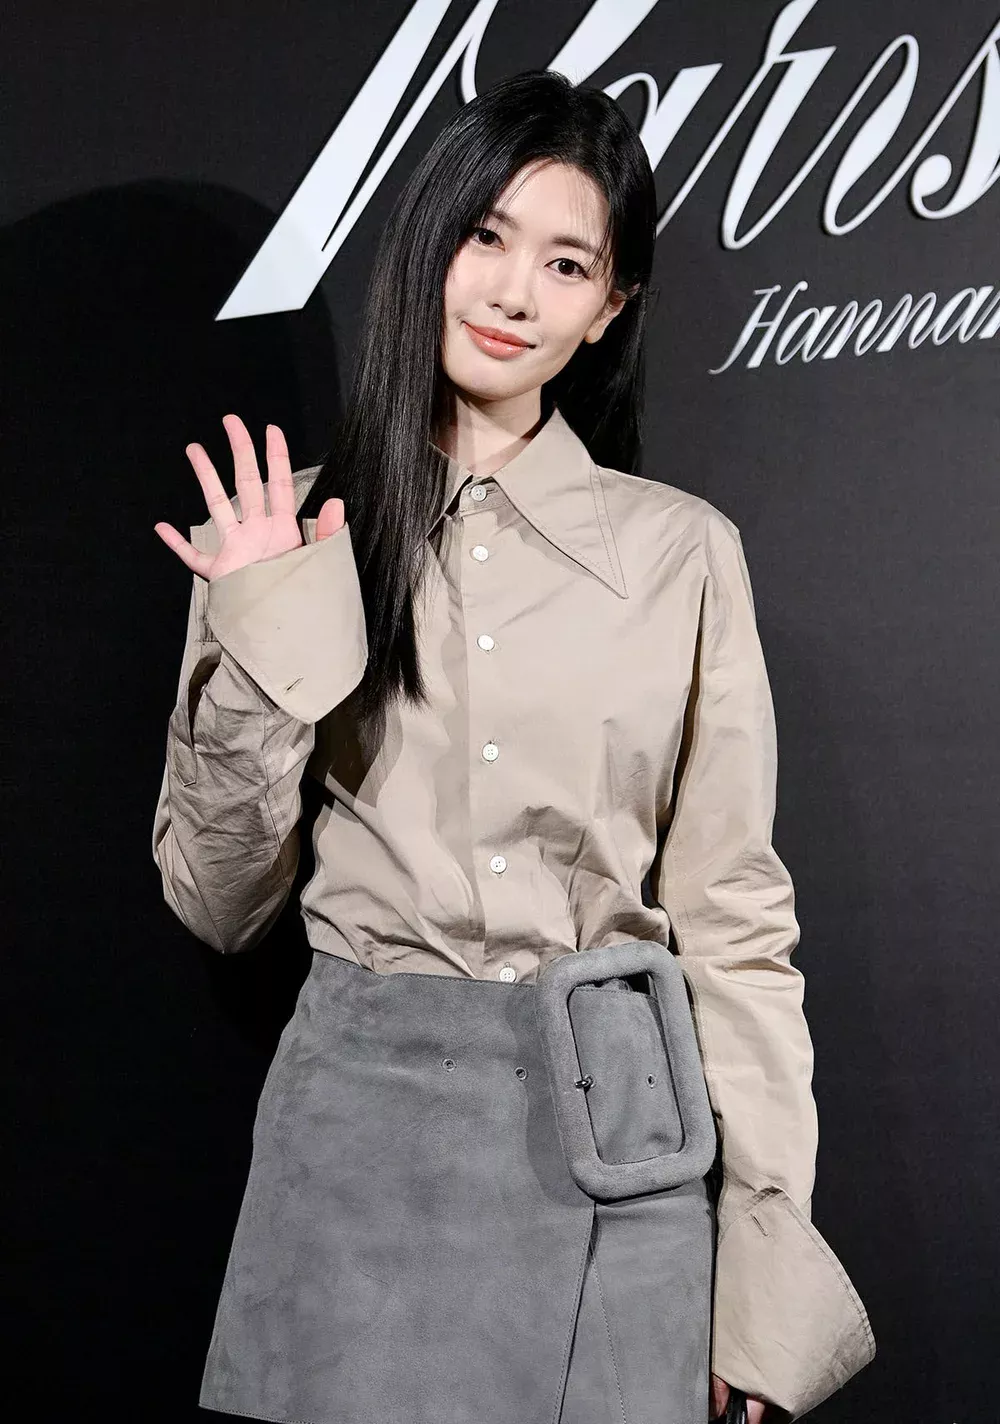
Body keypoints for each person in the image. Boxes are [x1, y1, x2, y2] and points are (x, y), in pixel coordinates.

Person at [151, 70, 874, 1424]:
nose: (513, 292)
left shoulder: (683, 555)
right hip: (360, 1141)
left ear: (611, 307)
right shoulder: (286, 532)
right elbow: (219, 904)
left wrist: (765, 1256)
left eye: (566, 263)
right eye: (486, 235)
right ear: (429, 238)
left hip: (622, 1148)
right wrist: (258, 637)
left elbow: (733, 924)